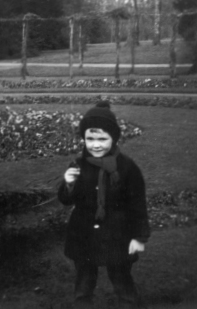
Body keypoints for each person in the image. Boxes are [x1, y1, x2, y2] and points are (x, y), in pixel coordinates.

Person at [58, 101, 150, 309]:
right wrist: (69, 184)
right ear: (84, 139)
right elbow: (66, 199)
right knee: (83, 281)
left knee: (121, 278)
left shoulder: (127, 168)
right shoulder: (78, 165)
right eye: (90, 139)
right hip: (83, 233)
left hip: (117, 233)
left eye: (102, 138)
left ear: (114, 138)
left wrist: (139, 236)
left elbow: (137, 204)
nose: (96, 144)